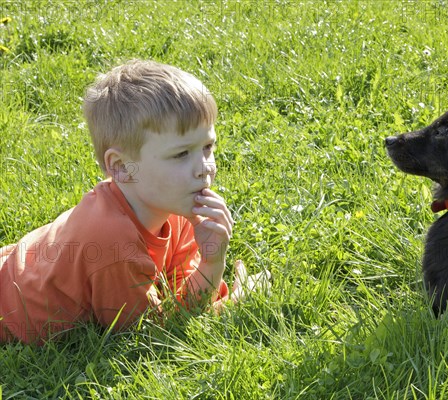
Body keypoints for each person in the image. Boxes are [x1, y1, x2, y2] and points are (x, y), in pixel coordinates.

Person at [0, 60, 270, 344]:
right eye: (180, 155)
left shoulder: (175, 204)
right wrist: (235, 302)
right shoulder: (111, 239)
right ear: (122, 167)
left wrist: (212, 261)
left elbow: (182, 297)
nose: (204, 167)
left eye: (207, 147)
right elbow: (148, 334)